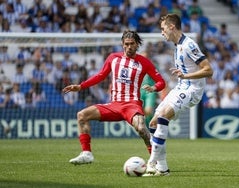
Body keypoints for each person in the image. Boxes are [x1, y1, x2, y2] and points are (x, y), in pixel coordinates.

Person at [62, 30, 166, 165]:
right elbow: (100, 76)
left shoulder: (144, 62)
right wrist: (81, 86)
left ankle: (155, 160)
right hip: (114, 105)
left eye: (132, 44)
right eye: (126, 44)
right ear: (122, 44)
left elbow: (161, 82)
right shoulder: (113, 58)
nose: (129, 47)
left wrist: (154, 88)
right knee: (82, 115)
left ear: (137, 45)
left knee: (141, 128)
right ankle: (87, 154)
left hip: (132, 105)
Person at [143, 13, 213, 176]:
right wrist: (183, 76)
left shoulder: (189, 45)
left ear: (172, 27)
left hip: (192, 90)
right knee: (153, 123)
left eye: (163, 28)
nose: (162, 32)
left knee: (164, 116)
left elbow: (209, 70)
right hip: (182, 87)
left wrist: (185, 76)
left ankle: (151, 163)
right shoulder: (177, 46)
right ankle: (163, 168)